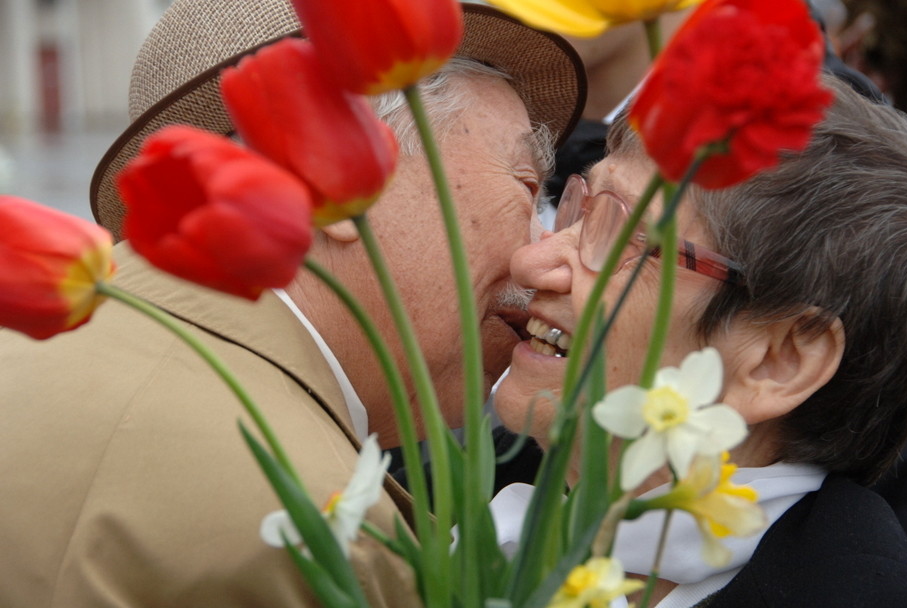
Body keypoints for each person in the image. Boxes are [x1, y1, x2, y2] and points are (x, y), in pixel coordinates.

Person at [0, 1, 586, 606]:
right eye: (526, 187)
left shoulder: (61, 341)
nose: (541, 255)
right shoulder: (318, 532)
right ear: (326, 161)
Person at [492, 74, 907, 606]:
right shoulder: (457, 491)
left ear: (777, 360)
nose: (532, 262)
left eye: (625, 236)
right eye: (581, 207)